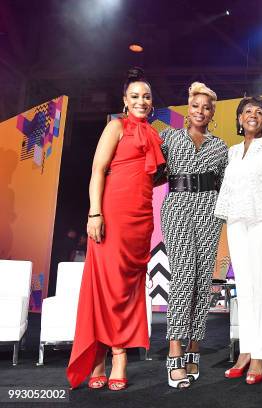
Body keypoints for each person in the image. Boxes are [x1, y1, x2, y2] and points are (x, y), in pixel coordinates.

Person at [66, 67, 165, 390]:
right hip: (111, 215)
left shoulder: (154, 135)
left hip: (141, 219)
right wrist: (94, 213)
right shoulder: (115, 126)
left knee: (129, 288)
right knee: (106, 286)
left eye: (146, 97)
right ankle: (106, 355)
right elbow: (98, 169)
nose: (141, 101)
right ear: (125, 100)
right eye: (135, 96)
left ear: (152, 102)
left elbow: (155, 175)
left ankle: (118, 353)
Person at [214, 96, 262, 385]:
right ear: (239, 118)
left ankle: (260, 354)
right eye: (247, 111)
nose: (253, 115)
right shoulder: (233, 151)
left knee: (261, 288)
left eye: (259, 112)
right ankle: (245, 350)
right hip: (237, 221)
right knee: (243, 290)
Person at [160, 82, 228, 388]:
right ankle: (175, 351)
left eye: (207, 107)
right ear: (188, 109)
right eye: (196, 106)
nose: (201, 111)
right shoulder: (169, 138)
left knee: (203, 282)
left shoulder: (220, 147)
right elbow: (150, 170)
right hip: (176, 208)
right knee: (184, 277)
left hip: (209, 212)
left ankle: (194, 347)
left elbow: (227, 188)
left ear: (212, 112)